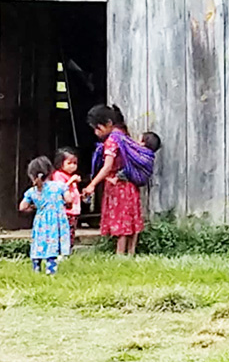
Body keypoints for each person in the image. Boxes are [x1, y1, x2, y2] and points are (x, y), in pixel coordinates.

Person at [82, 104, 144, 256]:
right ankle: (131, 252)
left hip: (118, 186)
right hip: (130, 184)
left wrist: (92, 184)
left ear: (109, 123)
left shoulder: (112, 141)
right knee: (131, 219)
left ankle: (119, 254)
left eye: (98, 128)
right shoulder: (124, 135)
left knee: (122, 221)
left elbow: (107, 166)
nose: (96, 133)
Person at [19, 156, 72, 275]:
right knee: (52, 243)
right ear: (50, 171)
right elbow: (69, 199)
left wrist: (34, 208)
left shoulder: (32, 191)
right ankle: (50, 269)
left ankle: (36, 268)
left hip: (40, 221)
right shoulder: (60, 186)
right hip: (56, 221)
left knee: (39, 242)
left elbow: (22, 207)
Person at [51, 148, 81, 245]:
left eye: (75, 163)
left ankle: (68, 250)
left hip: (73, 211)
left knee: (71, 232)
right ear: (60, 163)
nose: (72, 166)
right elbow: (60, 189)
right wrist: (72, 180)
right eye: (69, 163)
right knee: (64, 232)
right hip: (65, 211)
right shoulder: (58, 175)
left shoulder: (70, 176)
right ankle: (62, 251)